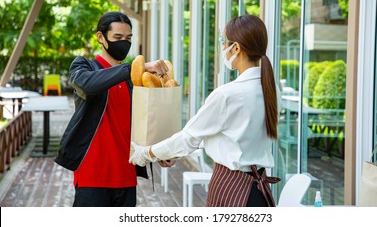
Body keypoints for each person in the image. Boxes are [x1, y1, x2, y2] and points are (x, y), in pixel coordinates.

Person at [130, 14, 281, 207]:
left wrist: (146, 153)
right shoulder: (272, 90)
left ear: (236, 48)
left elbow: (189, 138)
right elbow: (231, 136)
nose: (222, 48)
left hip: (232, 190)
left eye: (223, 42)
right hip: (260, 192)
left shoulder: (228, 94)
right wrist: (172, 153)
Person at [54, 11, 171, 207]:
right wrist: (133, 68)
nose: (123, 43)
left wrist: (159, 151)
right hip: (92, 176)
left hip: (126, 175)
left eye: (128, 38)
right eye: (117, 37)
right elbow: (88, 85)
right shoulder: (84, 66)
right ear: (101, 37)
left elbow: (142, 121)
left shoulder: (134, 80)